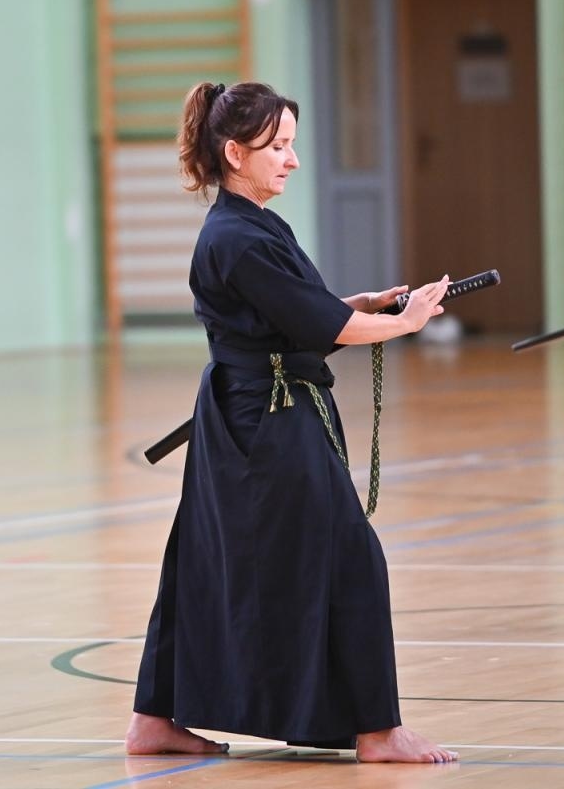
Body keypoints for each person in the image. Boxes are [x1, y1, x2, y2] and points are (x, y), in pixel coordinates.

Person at [127, 81, 457, 763]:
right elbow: (323, 327)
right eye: (278, 146)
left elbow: (296, 317)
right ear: (235, 153)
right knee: (350, 556)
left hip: (250, 412)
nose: (293, 159)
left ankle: (153, 719)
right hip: (265, 422)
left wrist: (361, 305)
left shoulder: (254, 226)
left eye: (291, 145)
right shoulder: (237, 238)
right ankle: (377, 730)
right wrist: (406, 322)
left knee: (202, 558)